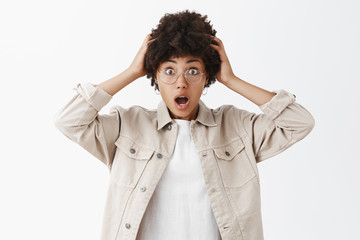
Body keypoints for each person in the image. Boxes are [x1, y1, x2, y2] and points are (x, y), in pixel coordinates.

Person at [53, 10, 315, 240]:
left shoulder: (237, 127)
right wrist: (132, 71)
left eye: (192, 71)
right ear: (154, 74)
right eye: (169, 70)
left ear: (207, 76)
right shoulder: (127, 125)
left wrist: (231, 79)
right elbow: (69, 121)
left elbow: (299, 123)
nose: (181, 83)